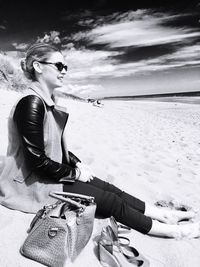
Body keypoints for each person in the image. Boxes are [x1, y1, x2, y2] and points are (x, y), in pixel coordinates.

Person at [0, 42, 199, 239]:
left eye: (66, 67)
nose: (64, 71)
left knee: (108, 187)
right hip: (29, 184)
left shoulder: (47, 101)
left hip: (49, 173)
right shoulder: (31, 103)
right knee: (109, 200)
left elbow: (53, 147)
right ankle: (175, 232)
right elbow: (37, 162)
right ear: (38, 66)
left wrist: (77, 163)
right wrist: (76, 173)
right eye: (59, 66)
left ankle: (165, 214)